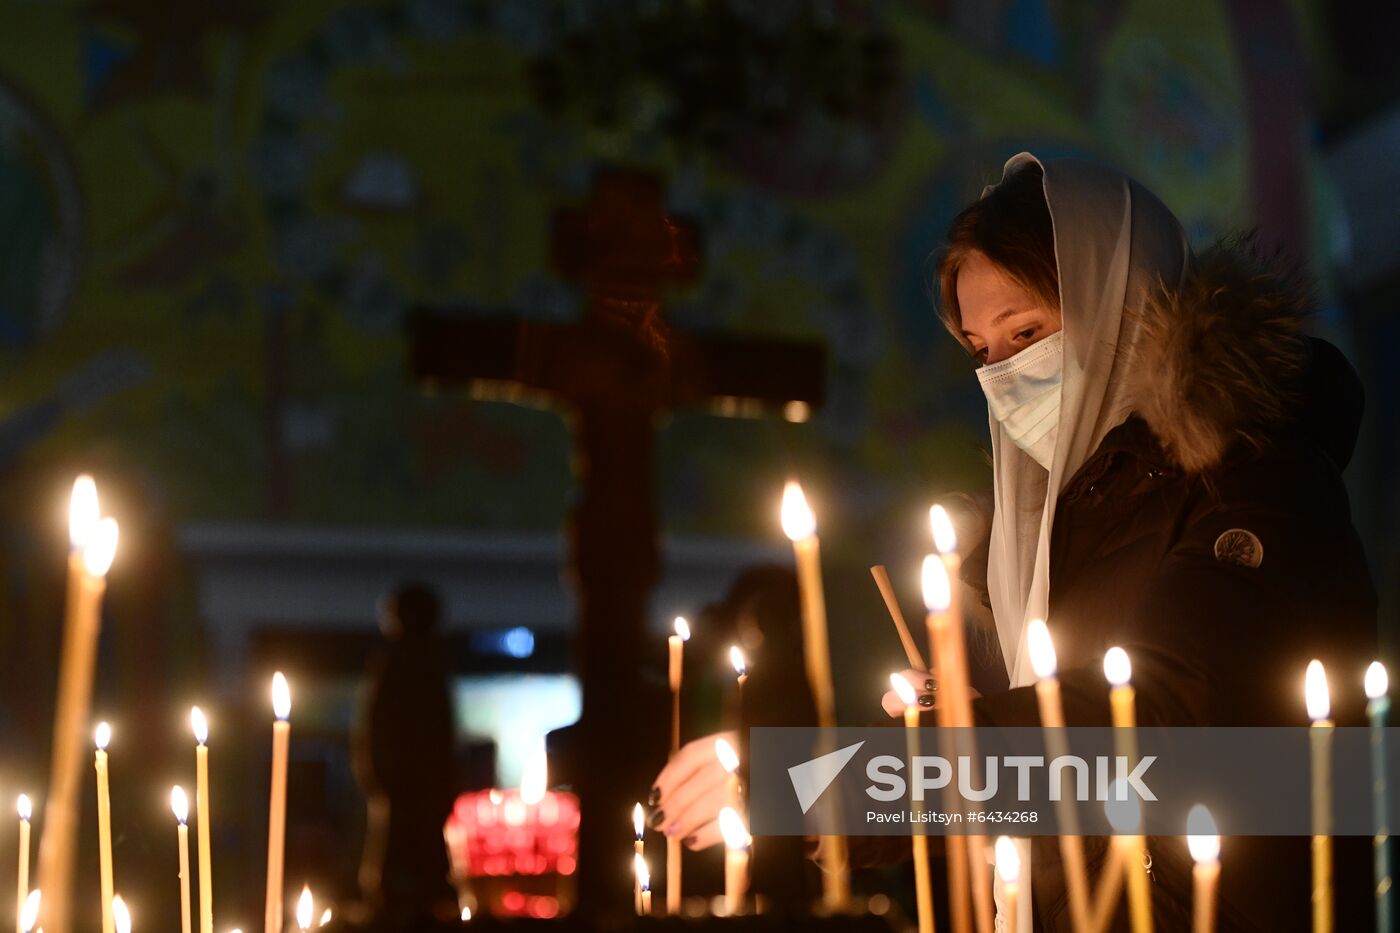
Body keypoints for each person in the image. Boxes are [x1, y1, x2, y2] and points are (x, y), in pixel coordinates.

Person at [653, 153, 1377, 931]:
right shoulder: (1059, 523)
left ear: (1121, 303)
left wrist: (809, 781)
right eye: (981, 350)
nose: (1004, 374)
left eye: (1027, 331)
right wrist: (947, 716)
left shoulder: (1255, 485)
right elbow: (1030, 777)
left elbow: (1151, 732)